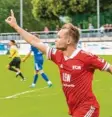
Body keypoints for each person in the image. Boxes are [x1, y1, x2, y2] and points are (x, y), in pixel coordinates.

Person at [5, 10, 112, 117]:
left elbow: (109, 68)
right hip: (74, 109)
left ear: (69, 41)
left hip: (88, 108)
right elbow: (35, 41)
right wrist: (16, 26)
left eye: (59, 37)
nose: (56, 40)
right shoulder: (57, 55)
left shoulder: (86, 57)